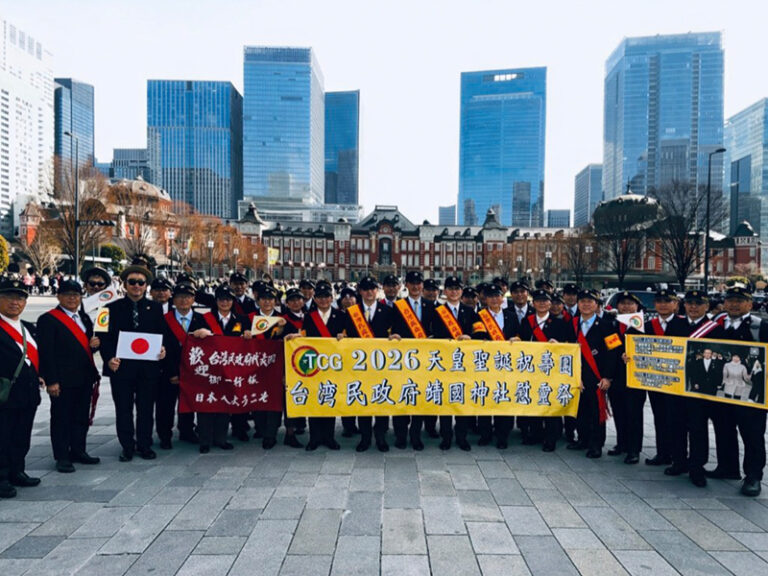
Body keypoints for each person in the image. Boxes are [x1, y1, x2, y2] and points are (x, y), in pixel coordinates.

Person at [99, 258, 167, 462]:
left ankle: (144, 444)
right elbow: (103, 336)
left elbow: (161, 333)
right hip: (122, 368)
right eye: (132, 282)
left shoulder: (155, 308)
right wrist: (109, 357)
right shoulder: (111, 308)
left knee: (146, 408)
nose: (136, 286)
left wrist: (162, 350)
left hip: (148, 369)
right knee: (124, 408)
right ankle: (127, 446)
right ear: (124, 284)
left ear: (146, 286)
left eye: (141, 282)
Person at [705, 285, 768, 496]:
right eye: (730, 300)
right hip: (723, 389)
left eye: (739, 300)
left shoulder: (760, 326)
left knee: (752, 434)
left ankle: (753, 476)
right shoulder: (715, 325)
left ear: (750, 304)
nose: (733, 304)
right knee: (724, 429)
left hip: (751, 392)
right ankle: (727, 467)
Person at [37, 280, 101, 473]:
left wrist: (95, 344)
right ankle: (62, 456)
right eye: (67, 294)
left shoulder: (85, 318)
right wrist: (51, 380)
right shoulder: (48, 319)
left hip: (84, 377)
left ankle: (78, 450)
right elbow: (46, 353)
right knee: (61, 418)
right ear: (58, 296)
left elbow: (87, 346)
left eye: (76, 294)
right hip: (63, 380)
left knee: (81, 416)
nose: (72, 298)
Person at [287, 282, 346, 451]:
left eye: (327, 296)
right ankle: (314, 438)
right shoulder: (310, 316)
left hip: (333, 365)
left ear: (331, 298)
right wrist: (295, 336)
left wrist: (344, 336)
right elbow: (304, 335)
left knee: (329, 399)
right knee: (314, 401)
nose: (323, 300)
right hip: (315, 366)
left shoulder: (340, 315)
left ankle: (329, 437)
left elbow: (347, 335)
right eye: (319, 297)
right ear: (315, 299)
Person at [193, 284, 252, 453]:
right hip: (209, 368)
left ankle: (220, 438)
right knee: (207, 403)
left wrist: (248, 335)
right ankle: (205, 439)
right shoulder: (204, 319)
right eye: (221, 299)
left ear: (233, 301)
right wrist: (197, 333)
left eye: (228, 299)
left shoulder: (241, 320)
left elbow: (248, 344)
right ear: (216, 301)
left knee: (224, 404)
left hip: (230, 370)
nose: (225, 302)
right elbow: (192, 340)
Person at [517, 289, 575, 451]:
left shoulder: (560, 322)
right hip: (532, 370)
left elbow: (569, 345)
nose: (542, 303)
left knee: (550, 401)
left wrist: (560, 344)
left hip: (551, 370)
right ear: (533, 303)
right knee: (534, 400)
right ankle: (535, 434)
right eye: (538, 300)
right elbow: (521, 340)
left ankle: (551, 437)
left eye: (545, 300)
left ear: (551, 304)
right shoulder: (527, 322)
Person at [0, 277, 42, 498]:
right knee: (2, 436)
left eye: (19, 298)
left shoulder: (28, 328)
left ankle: (18, 471)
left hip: (27, 393)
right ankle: (2, 477)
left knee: (21, 435)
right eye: (8, 297)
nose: (14, 302)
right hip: (4, 394)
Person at [342, 276, 394, 452]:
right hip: (360, 366)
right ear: (360, 292)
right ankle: (365, 438)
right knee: (362, 401)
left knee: (381, 400)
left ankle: (380, 437)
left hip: (381, 365)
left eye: (372, 288)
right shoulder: (351, 313)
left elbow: (393, 333)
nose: (369, 292)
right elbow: (346, 334)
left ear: (377, 290)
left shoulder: (387, 311)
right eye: (365, 289)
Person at [430, 276, 480, 451]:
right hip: (444, 364)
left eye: (457, 288)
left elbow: (481, 333)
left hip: (464, 365)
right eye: (450, 288)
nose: (454, 292)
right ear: (445, 291)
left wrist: (470, 337)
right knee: (446, 403)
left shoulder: (469, 311)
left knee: (461, 401)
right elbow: (431, 335)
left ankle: (461, 436)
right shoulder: (437, 311)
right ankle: (446, 437)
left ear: (462, 291)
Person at [568, 289, 619, 458]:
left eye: (590, 302)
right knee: (580, 410)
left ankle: (596, 444)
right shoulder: (572, 324)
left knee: (597, 412)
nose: (586, 304)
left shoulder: (607, 325)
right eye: (582, 301)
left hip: (597, 376)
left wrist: (608, 377)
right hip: (577, 376)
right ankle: (582, 439)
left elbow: (614, 352)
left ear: (597, 305)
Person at [640, 289, 687, 467]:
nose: (663, 304)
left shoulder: (684, 325)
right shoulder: (648, 325)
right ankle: (663, 453)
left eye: (668, 301)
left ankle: (680, 458)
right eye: (659, 301)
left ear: (676, 304)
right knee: (659, 417)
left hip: (677, 382)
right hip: (656, 381)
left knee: (678, 420)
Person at [389, 271, 436, 450]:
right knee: (402, 397)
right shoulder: (398, 306)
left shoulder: (432, 306)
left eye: (418, 283)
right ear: (406, 285)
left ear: (422, 285)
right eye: (412, 283)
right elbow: (390, 329)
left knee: (419, 398)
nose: (416, 286)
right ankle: (401, 436)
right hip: (403, 360)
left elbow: (437, 331)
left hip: (424, 362)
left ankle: (416, 436)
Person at [250, 285, 300, 450]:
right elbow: (234, 338)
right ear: (258, 301)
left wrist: (295, 335)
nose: (267, 302)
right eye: (263, 299)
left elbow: (299, 338)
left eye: (271, 299)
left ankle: (277, 434)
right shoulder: (249, 319)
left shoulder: (284, 320)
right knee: (260, 400)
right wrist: (243, 334)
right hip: (256, 368)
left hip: (280, 368)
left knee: (278, 400)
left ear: (275, 301)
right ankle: (264, 431)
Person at [158, 282, 206, 449]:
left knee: (189, 402)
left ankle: (187, 431)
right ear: (173, 300)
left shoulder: (202, 320)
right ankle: (165, 435)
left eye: (187, 297)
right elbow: (161, 346)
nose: (184, 300)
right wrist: (171, 372)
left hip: (194, 372)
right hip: (169, 370)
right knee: (166, 404)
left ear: (193, 299)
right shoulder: (164, 320)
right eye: (179, 297)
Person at [474, 282, 519, 448]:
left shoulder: (512, 316)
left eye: (497, 296)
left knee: (503, 398)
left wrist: (517, 339)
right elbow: (477, 337)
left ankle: (503, 435)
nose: (494, 299)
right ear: (485, 299)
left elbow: (519, 336)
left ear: (502, 298)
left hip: (506, 365)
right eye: (490, 296)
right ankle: (485, 434)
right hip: (486, 365)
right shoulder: (479, 315)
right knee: (485, 398)